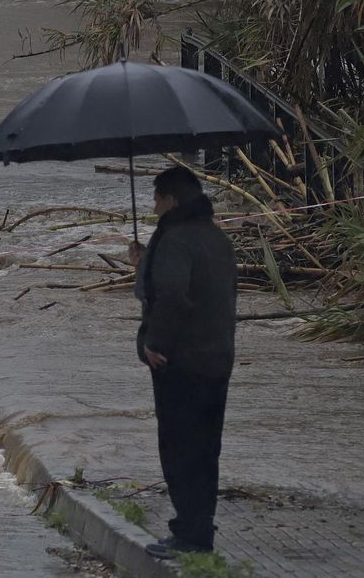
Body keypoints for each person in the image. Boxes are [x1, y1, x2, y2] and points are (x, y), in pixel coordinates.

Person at [133, 165, 237, 559]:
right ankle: (199, 528)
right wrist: (145, 264)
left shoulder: (174, 239)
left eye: (157, 199)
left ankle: (189, 535)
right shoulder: (215, 238)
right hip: (217, 358)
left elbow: (173, 295)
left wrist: (154, 343)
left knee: (179, 448)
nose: (154, 207)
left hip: (180, 362)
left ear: (172, 200)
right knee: (206, 449)